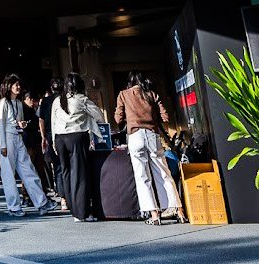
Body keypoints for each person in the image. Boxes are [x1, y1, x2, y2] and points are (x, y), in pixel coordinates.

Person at [115, 71, 185, 225]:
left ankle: (154, 215)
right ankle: (178, 211)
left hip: (135, 136)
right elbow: (165, 117)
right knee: (164, 173)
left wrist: (129, 117)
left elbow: (118, 118)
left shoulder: (123, 95)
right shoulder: (151, 94)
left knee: (142, 177)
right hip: (153, 135)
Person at [0, 74, 58, 218]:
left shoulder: (18, 103)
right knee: (8, 174)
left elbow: (16, 120)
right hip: (8, 138)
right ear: (9, 86)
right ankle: (13, 206)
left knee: (28, 170)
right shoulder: (4, 102)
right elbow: (1, 123)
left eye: (18, 84)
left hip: (18, 137)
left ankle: (41, 203)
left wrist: (21, 124)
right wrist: (2, 145)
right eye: (15, 85)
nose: (18, 87)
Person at [50, 72, 104, 222]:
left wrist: (54, 141)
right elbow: (98, 115)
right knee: (79, 175)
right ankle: (82, 213)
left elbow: (53, 122)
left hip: (60, 139)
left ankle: (74, 210)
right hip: (76, 137)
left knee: (66, 174)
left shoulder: (57, 101)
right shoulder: (81, 99)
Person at [38, 78, 64, 209]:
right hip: (65, 133)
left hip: (50, 135)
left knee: (58, 167)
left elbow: (41, 120)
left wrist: (43, 137)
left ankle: (63, 197)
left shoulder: (45, 101)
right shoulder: (65, 99)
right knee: (67, 166)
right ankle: (67, 195)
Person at [22, 90, 53, 194]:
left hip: (36, 140)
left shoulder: (33, 109)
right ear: (26, 99)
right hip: (28, 142)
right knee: (29, 168)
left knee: (39, 168)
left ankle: (41, 190)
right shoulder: (22, 109)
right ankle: (26, 193)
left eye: (33, 99)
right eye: (30, 99)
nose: (32, 101)